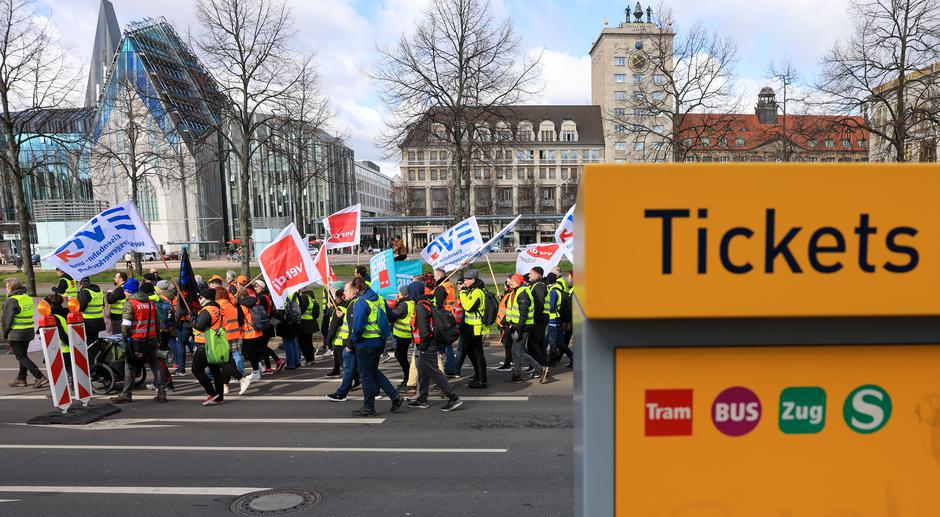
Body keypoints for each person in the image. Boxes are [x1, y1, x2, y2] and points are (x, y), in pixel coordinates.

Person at [345, 277, 402, 416]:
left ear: (357, 289)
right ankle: (395, 396)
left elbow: (357, 327)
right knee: (372, 371)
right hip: (379, 342)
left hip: (366, 344)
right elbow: (391, 316)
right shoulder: (379, 299)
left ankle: (369, 407)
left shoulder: (361, 302)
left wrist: (351, 343)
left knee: (366, 375)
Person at [406, 281, 463, 411]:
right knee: (422, 372)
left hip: (426, 345)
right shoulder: (425, 303)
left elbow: (424, 330)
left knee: (434, 372)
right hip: (428, 344)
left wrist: (422, 346)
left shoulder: (420, 307)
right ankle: (422, 398)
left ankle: (453, 398)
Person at [110, 278, 168, 403]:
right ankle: (162, 392)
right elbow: (157, 323)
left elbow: (125, 325)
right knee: (155, 366)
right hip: (151, 339)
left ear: (129, 291)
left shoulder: (130, 303)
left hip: (136, 341)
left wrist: (126, 339)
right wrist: (158, 338)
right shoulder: (150, 303)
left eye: (125, 291)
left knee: (130, 367)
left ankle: (126, 395)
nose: (124, 293)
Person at [191, 287, 251, 405]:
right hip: (216, 344)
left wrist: (192, 317)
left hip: (205, 345)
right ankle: (219, 396)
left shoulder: (207, 310)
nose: (199, 300)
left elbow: (199, 326)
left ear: (204, 298)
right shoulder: (217, 308)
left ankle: (212, 393)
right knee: (215, 370)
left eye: (200, 297)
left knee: (196, 369)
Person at [2, 278, 47, 387]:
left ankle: (39, 376)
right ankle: (21, 378)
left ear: (11, 288)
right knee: (23, 355)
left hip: (16, 333)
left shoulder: (11, 300)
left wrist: (5, 334)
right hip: (28, 331)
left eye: (6, 287)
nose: (5, 289)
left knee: (21, 357)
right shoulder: (27, 298)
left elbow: (6, 320)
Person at [505, 274, 547, 383]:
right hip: (518, 326)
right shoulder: (516, 291)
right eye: (512, 281)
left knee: (519, 352)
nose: (511, 282)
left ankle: (540, 369)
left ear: (519, 282)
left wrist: (519, 328)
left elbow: (523, 314)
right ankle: (517, 374)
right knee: (515, 351)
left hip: (522, 327)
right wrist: (506, 320)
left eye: (514, 281)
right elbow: (514, 310)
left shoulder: (522, 293)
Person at [325, 290, 360, 401]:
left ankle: (348, 386)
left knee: (345, 366)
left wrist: (328, 341)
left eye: (335, 298)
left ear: (339, 298)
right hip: (346, 340)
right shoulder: (348, 306)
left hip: (340, 341)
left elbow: (333, 328)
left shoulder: (338, 309)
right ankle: (355, 380)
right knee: (349, 365)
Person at [458, 269, 488, 389]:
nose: (464, 282)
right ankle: (478, 374)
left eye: (467, 280)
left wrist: (463, 292)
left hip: (476, 327)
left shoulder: (477, 292)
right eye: (464, 279)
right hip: (470, 326)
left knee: (477, 353)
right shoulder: (473, 290)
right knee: (471, 352)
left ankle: (482, 380)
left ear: (473, 280)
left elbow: (468, 307)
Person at [214, 287, 246, 388]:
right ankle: (241, 373)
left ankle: (228, 383)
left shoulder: (217, 306)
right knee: (236, 356)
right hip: (235, 334)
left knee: (225, 362)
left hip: (223, 336)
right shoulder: (231, 304)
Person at [432, 268, 461, 376]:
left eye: (435, 276)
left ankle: (450, 368)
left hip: (443, 317)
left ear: (439, 276)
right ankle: (450, 367)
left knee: (445, 343)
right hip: (449, 315)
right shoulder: (448, 284)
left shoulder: (441, 287)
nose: (434, 278)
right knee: (447, 343)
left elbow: (438, 304)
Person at [237, 287, 266, 380]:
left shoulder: (241, 306)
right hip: (258, 331)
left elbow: (240, 321)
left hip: (248, 333)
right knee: (257, 353)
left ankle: (256, 372)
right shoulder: (255, 301)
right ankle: (259, 368)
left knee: (251, 355)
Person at [545, 272, 573, 368]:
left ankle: (552, 360)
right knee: (557, 341)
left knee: (553, 341)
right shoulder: (558, 289)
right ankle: (571, 355)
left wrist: (545, 311)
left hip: (553, 319)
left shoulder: (553, 291)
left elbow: (552, 307)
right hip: (557, 318)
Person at [389, 286, 413, 388]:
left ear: (404, 294)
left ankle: (407, 377)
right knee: (401, 355)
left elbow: (393, 315)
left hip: (402, 335)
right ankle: (408, 377)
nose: (397, 295)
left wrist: (390, 306)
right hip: (408, 334)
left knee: (400, 356)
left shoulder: (403, 305)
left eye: (399, 293)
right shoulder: (411, 302)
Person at [527, 267, 550, 369]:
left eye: (531, 273)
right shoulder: (538, 285)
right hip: (542, 318)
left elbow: (539, 305)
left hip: (540, 319)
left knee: (532, 344)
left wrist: (534, 320)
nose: (529, 275)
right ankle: (543, 366)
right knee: (540, 344)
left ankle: (542, 367)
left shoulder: (539, 286)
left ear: (537, 275)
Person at [294, 287, 320, 366]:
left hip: (304, 323)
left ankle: (309, 358)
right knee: (308, 342)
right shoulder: (310, 297)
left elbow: (302, 309)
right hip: (310, 323)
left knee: (303, 342)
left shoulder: (304, 297)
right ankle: (310, 358)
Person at [495, 275, 515, 371]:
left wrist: (503, 322)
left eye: (506, 282)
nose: (505, 284)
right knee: (508, 343)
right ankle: (510, 360)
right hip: (504, 323)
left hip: (506, 324)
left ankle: (508, 364)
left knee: (507, 343)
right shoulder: (507, 294)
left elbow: (508, 309)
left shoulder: (510, 294)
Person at [77, 277, 106, 343]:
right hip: (99, 320)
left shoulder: (85, 291)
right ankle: (97, 352)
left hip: (88, 321)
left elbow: (81, 307)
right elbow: (103, 305)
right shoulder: (99, 290)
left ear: (80, 283)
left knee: (90, 341)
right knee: (95, 339)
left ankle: (92, 353)